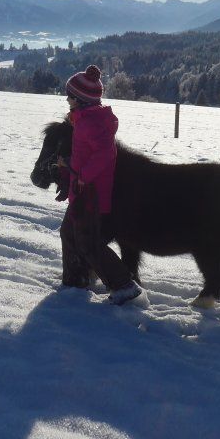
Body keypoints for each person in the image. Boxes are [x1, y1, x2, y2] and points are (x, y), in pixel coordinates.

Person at [59, 65, 144, 305]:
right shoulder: (84, 119)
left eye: (70, 96)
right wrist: (68, 165)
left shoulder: (90, 123)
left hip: (91, 194)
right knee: (68, 233)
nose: (67, 100)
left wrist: (83, 174)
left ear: (80, 100)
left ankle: (123, 284)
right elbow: (86, 152)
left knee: (88, 242)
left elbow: (106, 153)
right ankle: (74, 279)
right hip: (81, 191)